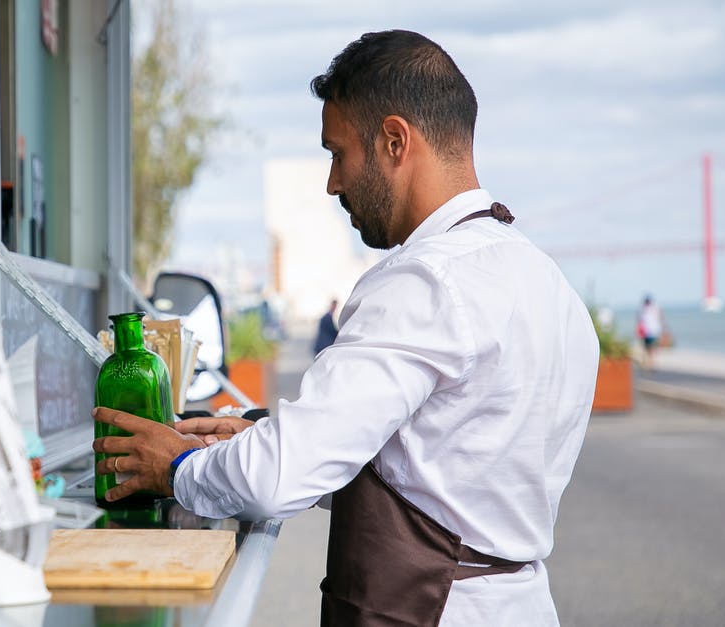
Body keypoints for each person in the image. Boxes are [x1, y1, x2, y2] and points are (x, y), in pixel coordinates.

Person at [93, 30, 599, 626]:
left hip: (426, 611)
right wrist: (256, 434)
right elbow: (442, 479)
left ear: (393, 141)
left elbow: (277, 479)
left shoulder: (423, 283)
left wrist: (176, 467)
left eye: (337, 153)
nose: (332, 183)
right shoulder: (548, 284)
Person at [637, 294, 664, 369]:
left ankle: (651, 363)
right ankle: (649, 363)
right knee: (647, 348)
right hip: (646, 332)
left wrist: (663, 329)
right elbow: (640, 321)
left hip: (653, 332)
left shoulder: (654, 308)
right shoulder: (643, 309)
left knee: (651, 348)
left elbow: (660, 318)